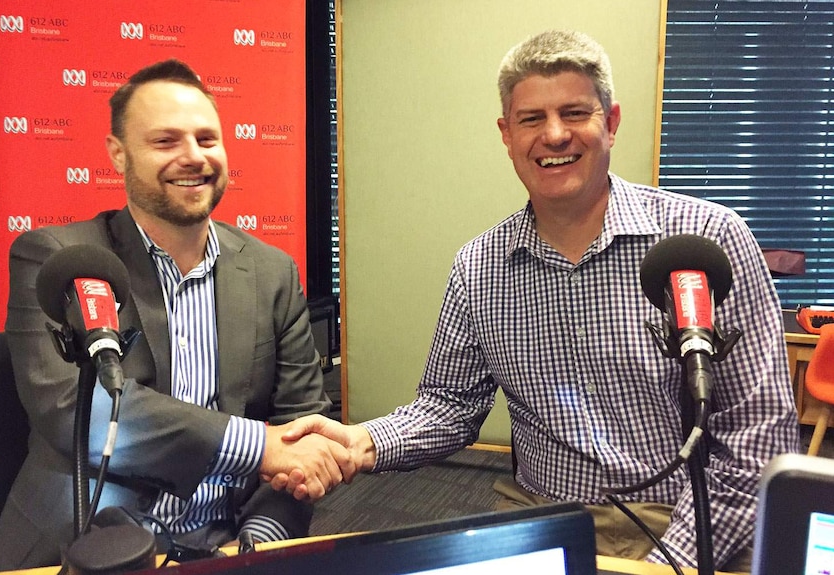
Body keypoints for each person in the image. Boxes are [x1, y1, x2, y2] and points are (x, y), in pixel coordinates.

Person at [275, 30, 801, 572]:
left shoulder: (705, 241)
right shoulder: (479, 266)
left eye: (575, 113)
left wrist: (673, 562)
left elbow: (754, 437)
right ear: (506, 134)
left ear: (612, 122)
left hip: (687, 517)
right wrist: (360, 442)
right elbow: (448, 406)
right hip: (544, 516)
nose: (554, 135)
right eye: (531, 119)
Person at [0, 59, 354, 571]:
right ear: (118, 154)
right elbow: (81, 411)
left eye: (207, 139)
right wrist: (255, 445)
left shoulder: (272, 272)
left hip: (229, 540)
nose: (193, 157)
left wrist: (257, 543)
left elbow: (302, 430)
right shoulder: (58, 257)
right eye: (165, 142)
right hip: (86, 545)